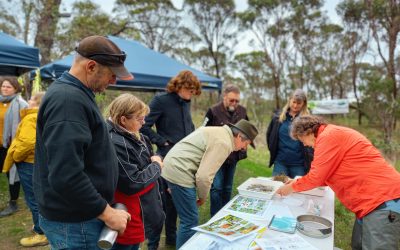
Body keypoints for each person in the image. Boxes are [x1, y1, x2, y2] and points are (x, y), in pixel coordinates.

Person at [33, 35, 132, 249]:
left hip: (78, 217)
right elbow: (66, 175)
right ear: (91, 66)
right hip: (75, 222)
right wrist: (107, 213)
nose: (114, 81)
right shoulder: (68, 101)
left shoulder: (77, 94)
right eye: (111, 74)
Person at [276, 115, 400, 250]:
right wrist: (297, 182)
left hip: (382, 200)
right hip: (369, 203)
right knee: (358, 245)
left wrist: (291, 188)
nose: (304, 144)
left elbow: (316, 177)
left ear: (308, 132)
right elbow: (324, 175)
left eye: (302, 140)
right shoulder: (329, 135)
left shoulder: (328, 137)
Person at [162, 119, 258, 248]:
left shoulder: (220, 133)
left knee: (188, 217)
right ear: (239, 136)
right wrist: (202, 196)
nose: (244, 148)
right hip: (180, 170)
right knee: (190, 220)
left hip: (174, 166)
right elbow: (204, 176)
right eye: (246, 144)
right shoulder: (223, 142)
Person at [140, 70, 201, 248]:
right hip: (166, 158)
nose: (191, 94)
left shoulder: (185, 103)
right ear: (179, 85)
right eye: (189, 90)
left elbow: (186, 127)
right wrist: (162, 141)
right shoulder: (161, 100)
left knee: (175, 203)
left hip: (185, 160)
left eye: (193, 91)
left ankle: (172, 242)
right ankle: (153, 244)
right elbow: (144, 126)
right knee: (162, 206)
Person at [106, 93, 165, 250]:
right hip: (128, 213)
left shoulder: (134, 134)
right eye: (139, 119)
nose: (144, 122)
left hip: (140, 212)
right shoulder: (115, 142)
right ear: (123, 119)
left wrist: (154, 162)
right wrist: (157, 166)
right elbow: (133, 182)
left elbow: (150, 157)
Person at [2, 92, 48, 247]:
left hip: (28, 163)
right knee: (39, 196)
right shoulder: (42, 116)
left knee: (33, 199)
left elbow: (28, 142)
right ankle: (40, 226)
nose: (28, 100)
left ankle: (41, 233)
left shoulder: (30, 117)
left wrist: (16, 155)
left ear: (37, 103)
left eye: (32, 99)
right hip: (36, 161)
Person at [203, 84, 249, 217]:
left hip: (233, 156)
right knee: (216, 188)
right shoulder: (213, 111)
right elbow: (203, 130)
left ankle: (225, 215)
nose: (234, 103)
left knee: (228, 187)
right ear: (224, 97)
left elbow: (247, 130)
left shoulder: (243, 111)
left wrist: (245, 144)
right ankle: (215, 216)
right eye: (231, 100)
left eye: (237, 101)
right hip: (216, 156)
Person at [266, 89, 312, 178]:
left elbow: (312, 142)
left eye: (299, 103)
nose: (295, 106)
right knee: (277, 189)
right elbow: (269, 136)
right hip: (280, 163)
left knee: (298, 191)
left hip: (299, 165)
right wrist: (273, 151)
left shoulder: (307, 120)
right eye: (293, 102)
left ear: (304, 104)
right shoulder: (277, 118)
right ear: (289, 100)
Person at [0, 77, 28, 217]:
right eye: (3, 86)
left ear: (16, 89)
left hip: (11, 146)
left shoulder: (21, 104)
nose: (5, 89)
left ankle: (13, 203)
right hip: (0, 144)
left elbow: (26, 125)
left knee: (12, 174)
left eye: (8, 87)